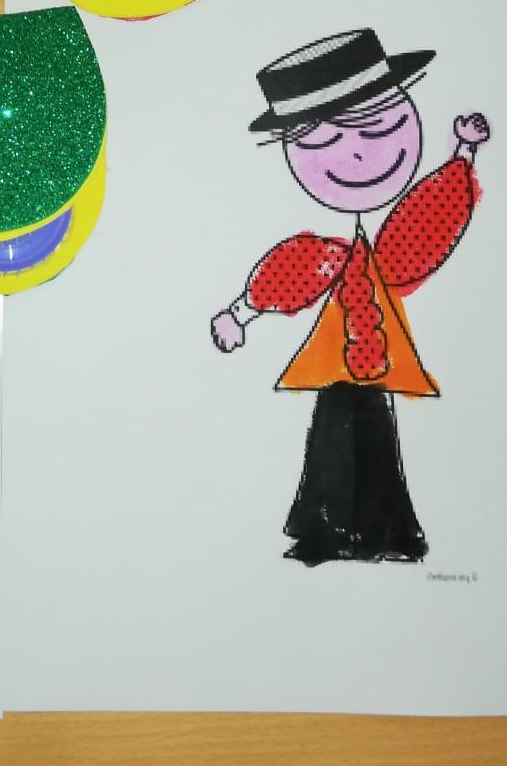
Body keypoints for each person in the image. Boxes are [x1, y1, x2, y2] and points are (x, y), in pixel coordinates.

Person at [210, 29, 490, 565]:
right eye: (320, 142)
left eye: (379, 126)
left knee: (378, 440)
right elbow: (290, 273)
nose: (359, 153)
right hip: (337, 366)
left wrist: (464, 152)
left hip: (378, 367)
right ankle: (326, 527)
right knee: (333, 438)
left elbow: (432, 218)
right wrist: (240, 313)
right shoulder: (325, 249)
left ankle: (385, 528)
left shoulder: (392, 243)